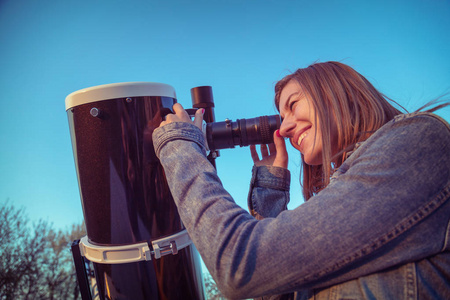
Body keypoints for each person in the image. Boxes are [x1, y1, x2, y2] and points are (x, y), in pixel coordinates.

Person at [152, 61, 450, 299]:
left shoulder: (417, 142)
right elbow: (272, 287)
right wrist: (270, 186)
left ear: (338, 91)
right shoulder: (359, 184)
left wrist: (181, 148)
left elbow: (239, 264)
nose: (286, 127)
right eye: (282, 117)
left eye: (293, 105)